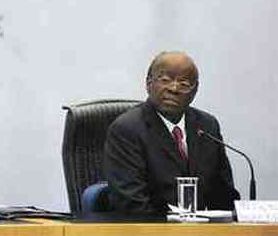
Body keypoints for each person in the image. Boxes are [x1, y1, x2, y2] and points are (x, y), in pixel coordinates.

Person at [103, 51, 240, 214]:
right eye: (165, 80)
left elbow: (224, 197)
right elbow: (131, 205)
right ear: (148, 83)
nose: (174, 88)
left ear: (195, 90)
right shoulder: (127, 129)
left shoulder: (207, 126)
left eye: (184, 83)